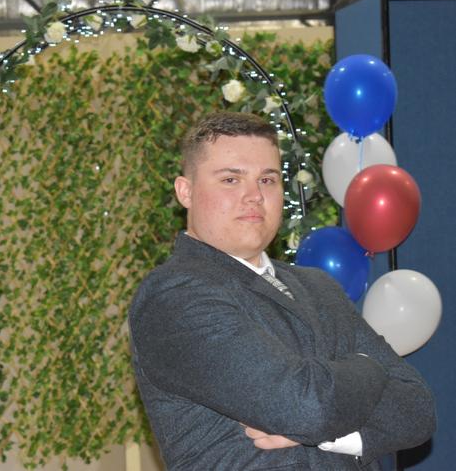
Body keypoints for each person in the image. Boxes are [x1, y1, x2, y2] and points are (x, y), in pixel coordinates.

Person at [128, 111, 436, 470]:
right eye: (230, 179)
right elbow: (306, 407)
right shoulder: (173, 297)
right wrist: (369, 366)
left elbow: (419, 409)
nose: (254, 196)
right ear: (186, 191)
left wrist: (334, 434)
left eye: (267, 180)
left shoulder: (319, 288)